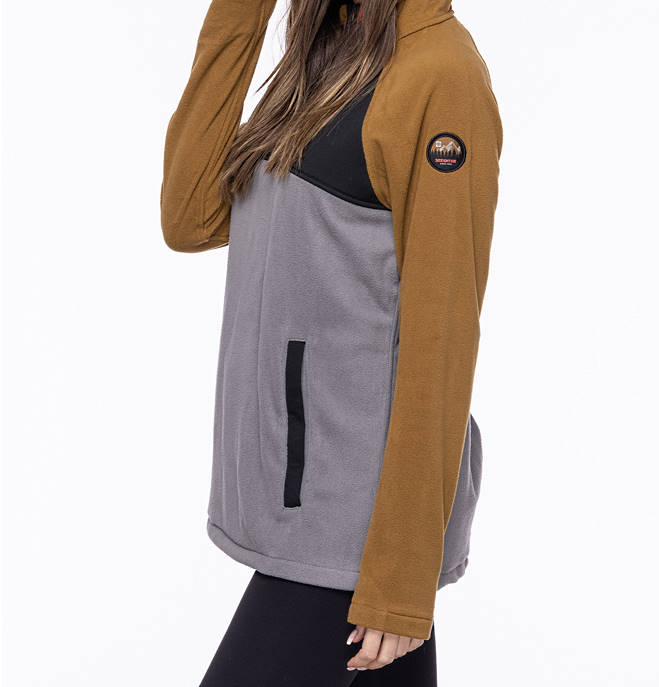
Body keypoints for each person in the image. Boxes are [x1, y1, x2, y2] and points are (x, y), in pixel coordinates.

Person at [160, 0, 502, 682]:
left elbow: (441, 340)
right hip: (302, 502)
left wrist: (399, 581)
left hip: (356, 521)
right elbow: (190, 215)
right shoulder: (330, 48)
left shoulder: (442, 75)